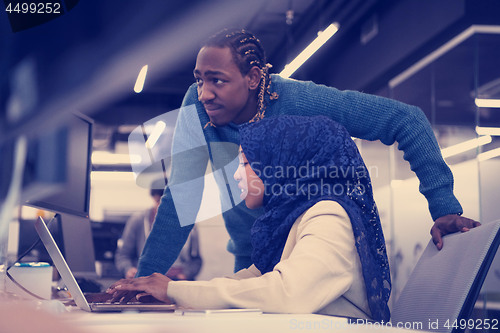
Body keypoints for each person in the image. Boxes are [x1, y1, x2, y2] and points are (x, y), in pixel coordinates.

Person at [135, 28, 479, 279]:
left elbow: (408, 120)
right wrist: (143, 282)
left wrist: (444, 208)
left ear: (254, 78)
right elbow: (182, 196)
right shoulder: (197, 105)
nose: (205, 93)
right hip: (250, 262)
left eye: (217, 81)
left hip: (309, 261)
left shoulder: (298, 101)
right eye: (199, 80)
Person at [108, 115, 391, 320]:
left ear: (279, 166)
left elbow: (287, 293)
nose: (236, 173)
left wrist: (173, 290)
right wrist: (173, 291)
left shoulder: (328, 215)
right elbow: (251, 281)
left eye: (244, 162)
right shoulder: (292, 219)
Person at [115, 186, 202, 281]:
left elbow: (196, 260)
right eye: (159, 203)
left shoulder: (189, 224)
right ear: (154, 199)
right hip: (146, 280)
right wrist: (128, 269)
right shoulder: (138, 221)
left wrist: (185, 275)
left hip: (178, 281)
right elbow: (123, 256)